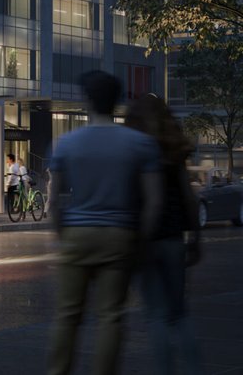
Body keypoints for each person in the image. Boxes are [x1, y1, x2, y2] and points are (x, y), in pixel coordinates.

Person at [45, 70, 162, 375]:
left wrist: (61, 235)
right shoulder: (140, 144)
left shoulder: (66, 143)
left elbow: (55, 200)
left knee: (68, 314)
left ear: (87, 100)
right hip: (119, 234)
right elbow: (153, 201)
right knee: (111, 315)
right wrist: (141, 240)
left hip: (77, 234)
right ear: (117, 101)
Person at [126, 94, 202, 375]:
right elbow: (189, 198)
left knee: (156, 315)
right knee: (179, 313)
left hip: (146, 239)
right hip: (173, 238)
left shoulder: (135, 152)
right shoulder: (174, 152)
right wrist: (196, 237)